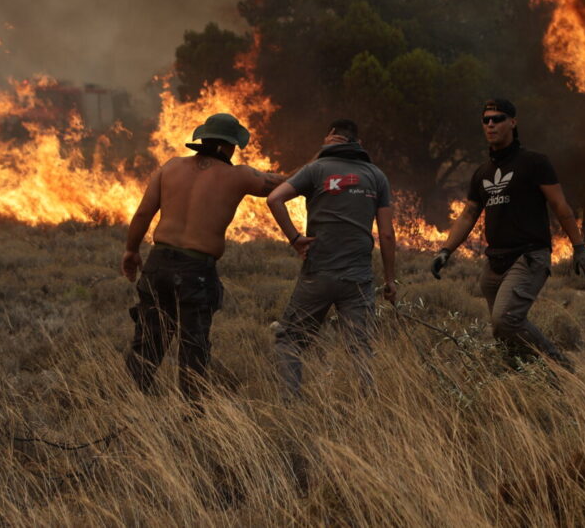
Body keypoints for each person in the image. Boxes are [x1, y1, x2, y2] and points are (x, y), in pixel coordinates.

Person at [120, 112, 283, 399]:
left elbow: (144, 213)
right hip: (195, 271)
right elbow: (282, 184)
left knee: (148, 342)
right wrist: (320, 168)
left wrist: (132, 250)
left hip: (157, 265)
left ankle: (130, 406)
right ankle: (193, 416)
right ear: (229, 146)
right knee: (193, 346)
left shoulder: (170, 167)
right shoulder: (239, 175)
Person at [430, 99, 585, 371]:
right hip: (494, 263)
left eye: (498, 118)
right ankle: (522, 381)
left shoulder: (534, 162)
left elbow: (560, 206)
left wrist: (579, 247)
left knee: (506, 320)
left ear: (513, 123)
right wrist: (445, 250)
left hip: (529, 256)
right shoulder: (482, 172)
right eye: (486, 120)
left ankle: (561, 368)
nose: (491, 124)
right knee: (503, 333)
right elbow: (469, 214)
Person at [266, 119, 396, 396]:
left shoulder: (316, 169)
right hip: (358, 278)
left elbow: (274, 198)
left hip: (319, 274)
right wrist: (390, 281)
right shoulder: (376, 176)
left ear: (332, 137)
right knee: (360, 348)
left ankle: (290, 405)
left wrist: (294, 239)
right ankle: (369, 406)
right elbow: (386, 235)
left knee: (289, 340)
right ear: (358, 144)